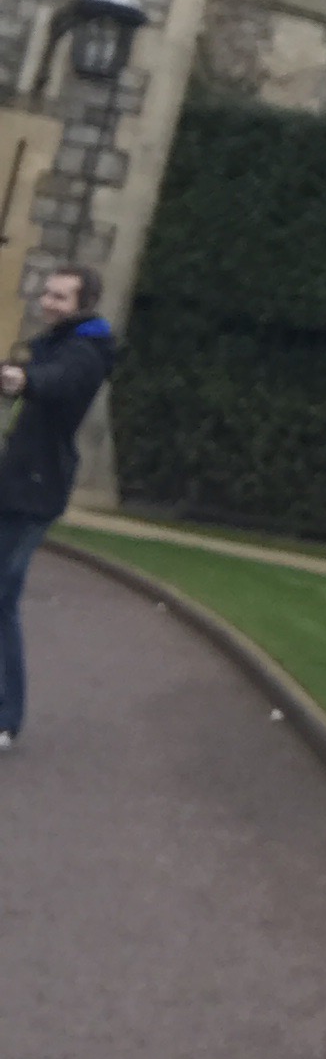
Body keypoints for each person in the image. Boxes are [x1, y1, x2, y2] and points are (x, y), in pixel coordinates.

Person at [0, 264, 114, 751]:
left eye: (60, 297)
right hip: (15, 482)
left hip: (35, 491)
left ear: (82, 304)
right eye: (47, 293)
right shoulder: (55, 343)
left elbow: (56, 382)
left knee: (2, 597)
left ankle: (7, 717)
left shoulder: (86, 351)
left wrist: (22, 379)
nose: (48, 302)